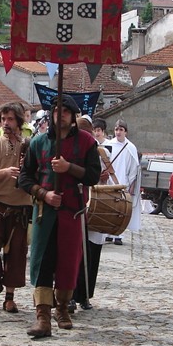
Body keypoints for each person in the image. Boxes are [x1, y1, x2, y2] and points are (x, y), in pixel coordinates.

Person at [18, 96, 101, 338]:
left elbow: (93, 176)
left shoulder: (87, 142)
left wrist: (69, 168)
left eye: (66, 111)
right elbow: (24, 178)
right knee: (42, 263)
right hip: (45, 213)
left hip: (72, 213)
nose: (60, 115)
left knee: (67, 264)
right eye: (57, 111)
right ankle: (42, 317)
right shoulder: (39, 142)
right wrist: (43, 193)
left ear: (73, 116)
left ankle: (62, 308)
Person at [0, 103, 33, 313]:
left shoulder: (29, 145)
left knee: (17, 254)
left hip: (21, 208)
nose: (6, 123)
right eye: (3, 119)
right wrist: (5, 172)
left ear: (19, 121)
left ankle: (10, 297)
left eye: (10, 119)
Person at [72, 116, 107, 311]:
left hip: (92, 207)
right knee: (74, 255)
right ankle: (69, 294)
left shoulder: (98, 151)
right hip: (75, 207)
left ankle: (84, 295)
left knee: (89, 255)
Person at [105, 119, 142, 245]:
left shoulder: (130, 148)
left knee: (121, 211)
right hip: (110, 181)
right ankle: (108, 233)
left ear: (125, 132)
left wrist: (130, 183)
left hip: (123, 182)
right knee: (109, 209)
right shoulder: (109, 145)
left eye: (121, 129)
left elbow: (133, 168)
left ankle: (119, 235)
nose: (118, 132)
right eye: (116, 129)